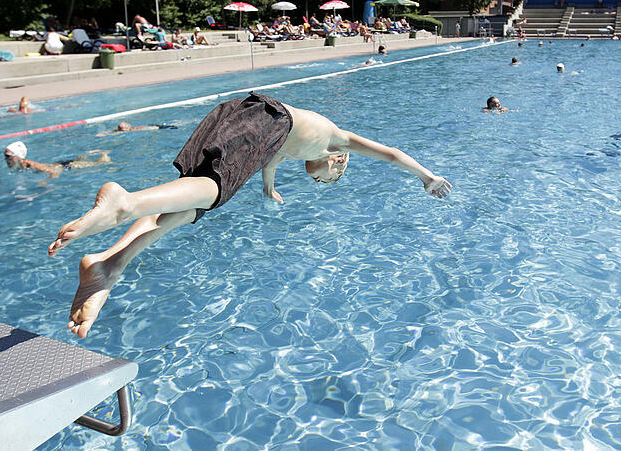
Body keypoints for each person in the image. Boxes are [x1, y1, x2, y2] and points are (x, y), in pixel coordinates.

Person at [47, 93, 452, 338]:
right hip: (262, 116)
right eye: (327, 179)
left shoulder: (296, 142)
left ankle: (109, 264)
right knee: (214, 191)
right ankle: (125, 203)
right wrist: (427, 177)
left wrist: (267, 186)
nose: (319, 178)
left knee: (187, 204)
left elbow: (270, 156)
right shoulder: (337, 140)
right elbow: (392, 154)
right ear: (338, 162)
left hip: (243, 115)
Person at [4, 141, 111, 179]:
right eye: (5, 156)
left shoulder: (31, 164)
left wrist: (45, 182)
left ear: (19, 156)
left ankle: (105, 154)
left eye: (8, 156)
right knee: (80, 161)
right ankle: (84, 156)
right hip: (59, 164)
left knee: (98, 164)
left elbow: (55, 172)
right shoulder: (20, 166)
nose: (6, 159)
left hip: (66, 167)